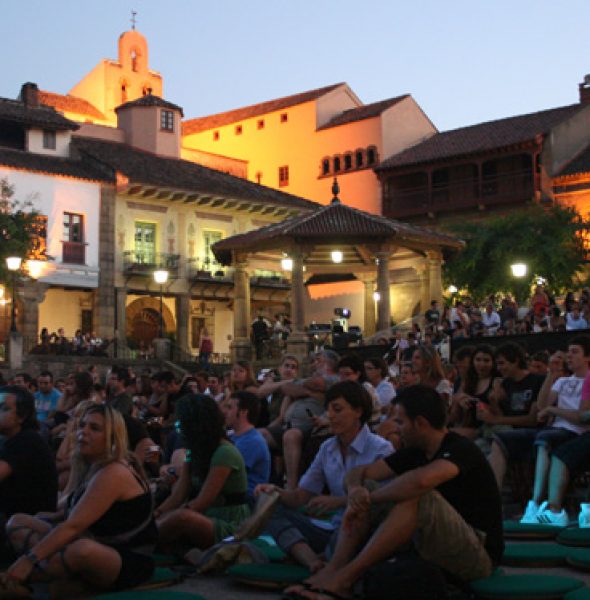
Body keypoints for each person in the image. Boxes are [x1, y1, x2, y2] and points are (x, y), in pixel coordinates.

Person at [285, 384, 503, 599]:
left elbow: (421, 481)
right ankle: (332, 570)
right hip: (433, 544)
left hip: (477, 554)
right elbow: (359, 472)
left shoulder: (460, 449)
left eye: (400, 422)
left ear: (420, 423)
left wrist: (368, 499)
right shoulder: (415, 451)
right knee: (368, 486)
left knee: (418, 496)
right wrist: (355, 490)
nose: (394, 428)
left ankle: (345, 578)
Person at [3, 404, 156, 593]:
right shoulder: (91, 463)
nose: (83, 431)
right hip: (91, 538)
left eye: (94, 428)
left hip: (125, 557)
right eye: (82, 425)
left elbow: (74, 525)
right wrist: (46, 518)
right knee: (17, 521)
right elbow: (71, 507)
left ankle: (17, 578)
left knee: (82, 550)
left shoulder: (114, 472)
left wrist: (28, 559)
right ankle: (56, 577)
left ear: (112, 437)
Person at [257, 381, 393, 571]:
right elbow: (301, 496)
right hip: (332, 529)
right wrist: (275, 492)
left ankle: (327, 559)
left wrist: (337, 502)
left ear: (358, 411)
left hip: (363, 534)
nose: (330, 415)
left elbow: (383, 502)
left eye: (337, 409)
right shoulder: (328, 448)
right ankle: (311, 560)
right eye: (328, 409)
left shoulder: (381, 449)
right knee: (269, 507)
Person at [156, 394, 250, 549]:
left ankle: (141, 539)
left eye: (182, 424)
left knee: (182, 517)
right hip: (206, 516)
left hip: (229, 524)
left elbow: (202, 502)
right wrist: (158, 513)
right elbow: (178, 494)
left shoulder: (225, 453)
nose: (179, 429)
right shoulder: (194, 452)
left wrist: (168, 519)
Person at [518, 336, 590, 524]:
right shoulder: (562, 381)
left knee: (545, 439)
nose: (569, 356)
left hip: (577, 431)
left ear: (587, 357)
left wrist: (553, 410)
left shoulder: (588, 381)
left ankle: (541, 504)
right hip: (557, 430)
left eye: (575, 352)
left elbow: (581, 416)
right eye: (569, 352)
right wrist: (551, 374)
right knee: (543, 441)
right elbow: (542, 406)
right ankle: (536, 503)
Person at [486, 342, 546, 489]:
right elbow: (503, 416)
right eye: (497, 364)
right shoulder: (506, 384)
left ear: (516, 361)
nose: (499, 368)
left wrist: (496, 419)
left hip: (533, 432)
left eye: (502, 363)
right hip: (511, 432)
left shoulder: (537, 381)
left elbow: (533, 420)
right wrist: (493, 401)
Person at [0, 386, 58, 530]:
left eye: (4, 409)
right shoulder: (8, 438)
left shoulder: (27, 441)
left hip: (27, 525)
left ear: (22, 416)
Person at [222, 391, 271, 502]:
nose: (225, 412)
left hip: (245, 502)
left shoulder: (252, 442)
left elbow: (225, 474)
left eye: (230, 408)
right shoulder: (233, 436)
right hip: (231, 497)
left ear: (243, 412)